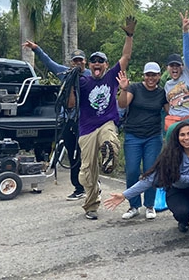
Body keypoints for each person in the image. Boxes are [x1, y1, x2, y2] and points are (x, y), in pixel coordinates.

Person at [104, 121, 189, 249]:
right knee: (183, 212)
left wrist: (178, 178)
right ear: (177, 138)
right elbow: (150, 179)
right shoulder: (171, 154)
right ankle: (183, 220)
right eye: (182, 135)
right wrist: (124, 195)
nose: (186, 138)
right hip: (178, 191)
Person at [75, 16, 136, 220]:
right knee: (87, 173)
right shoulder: (82, 82)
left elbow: (126, 57)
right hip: (86, 130)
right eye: (94, 61)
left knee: (109, 137)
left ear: (106, 64)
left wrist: (129, 35)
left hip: (106, 123)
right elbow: (70, 103)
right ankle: (91, 205)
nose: (97, 63)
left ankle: (109, 158)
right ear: (89, 65)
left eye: (101, 61)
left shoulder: (111, 77)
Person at [22, 41, 91, 201]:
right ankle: (78, 188)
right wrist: (36, 49)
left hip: (85, 122)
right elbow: (48, 62)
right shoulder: (64, 72)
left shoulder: (89, 76)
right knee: (73, 156)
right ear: (71, 62)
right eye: (75, 60)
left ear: (85, 62)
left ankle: (94, 184)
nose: (78, 63)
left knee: (87, 155)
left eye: (81, 60)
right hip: (68, 120)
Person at [117, 63, 168, 220]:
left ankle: (150, 205)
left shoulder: (162, 93)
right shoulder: (135, 88)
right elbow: (122, 104)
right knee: (132, 170)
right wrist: (124, 89)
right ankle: (133, 205)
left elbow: (171, 111)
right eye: (148, 75)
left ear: (159, 76)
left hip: (153, 136)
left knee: (150, 171)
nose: (151, 78)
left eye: (154, 75)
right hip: (133, 135)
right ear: (144, 76)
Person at [164, 11, 189, 137]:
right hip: (175, 121)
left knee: (177, 131)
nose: (175, 68)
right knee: (172, 134)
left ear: (182, 67)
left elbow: (187, 53)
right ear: (167, 68)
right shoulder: (167, 85)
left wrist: (185, 32)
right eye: (172, 66)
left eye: (177, 66)